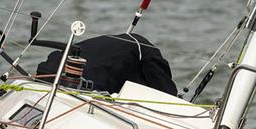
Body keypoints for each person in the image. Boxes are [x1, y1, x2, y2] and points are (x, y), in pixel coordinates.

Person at [36, 33, 177, 96]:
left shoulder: (119, 43)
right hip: (83, 85)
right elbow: (166, 93)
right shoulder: (147, 53)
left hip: (47, 71)